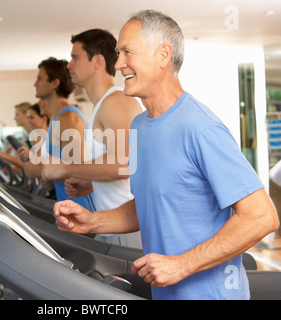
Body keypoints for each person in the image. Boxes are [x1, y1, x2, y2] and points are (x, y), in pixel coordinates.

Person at [53, 10, 279, 300]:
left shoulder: (200, 128)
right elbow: (148, 203)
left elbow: (261, 216)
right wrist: (92, 221)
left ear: (163, 55)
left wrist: (182, 264)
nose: (119, 63)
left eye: (126, 52)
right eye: (117, 53)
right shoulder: (140, 126)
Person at [41, 29, 143, 248]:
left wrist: (66, 168)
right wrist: (91, 183)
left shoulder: (116, 102)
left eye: (75, 58)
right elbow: (120, 166)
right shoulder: (102, 105)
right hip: (111, 225)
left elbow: (124, 164)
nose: (69, 65)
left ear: (97, 62)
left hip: (127, 228)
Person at [27, 56, 96, 211]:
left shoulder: (68, 118)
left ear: (55, 83)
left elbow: (79, 171)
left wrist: (41, 171)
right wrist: (52, 178)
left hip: (83, 208)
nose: (35, 84)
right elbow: (64, 167)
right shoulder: (56, 118)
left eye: (40, 79)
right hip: (69, 205)